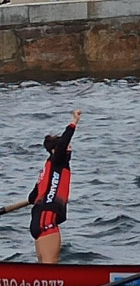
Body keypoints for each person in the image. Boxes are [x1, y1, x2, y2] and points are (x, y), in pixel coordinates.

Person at [27, 109, 81, 263]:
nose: (69, 149)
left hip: (39, 219)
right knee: (51, 267)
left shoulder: (46, 171)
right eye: (66, 147)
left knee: (45, 270)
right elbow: (63, 142)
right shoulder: (57, 161)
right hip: (47, 219)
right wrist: (74, 121)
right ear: (54, 151)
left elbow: (32, 198)